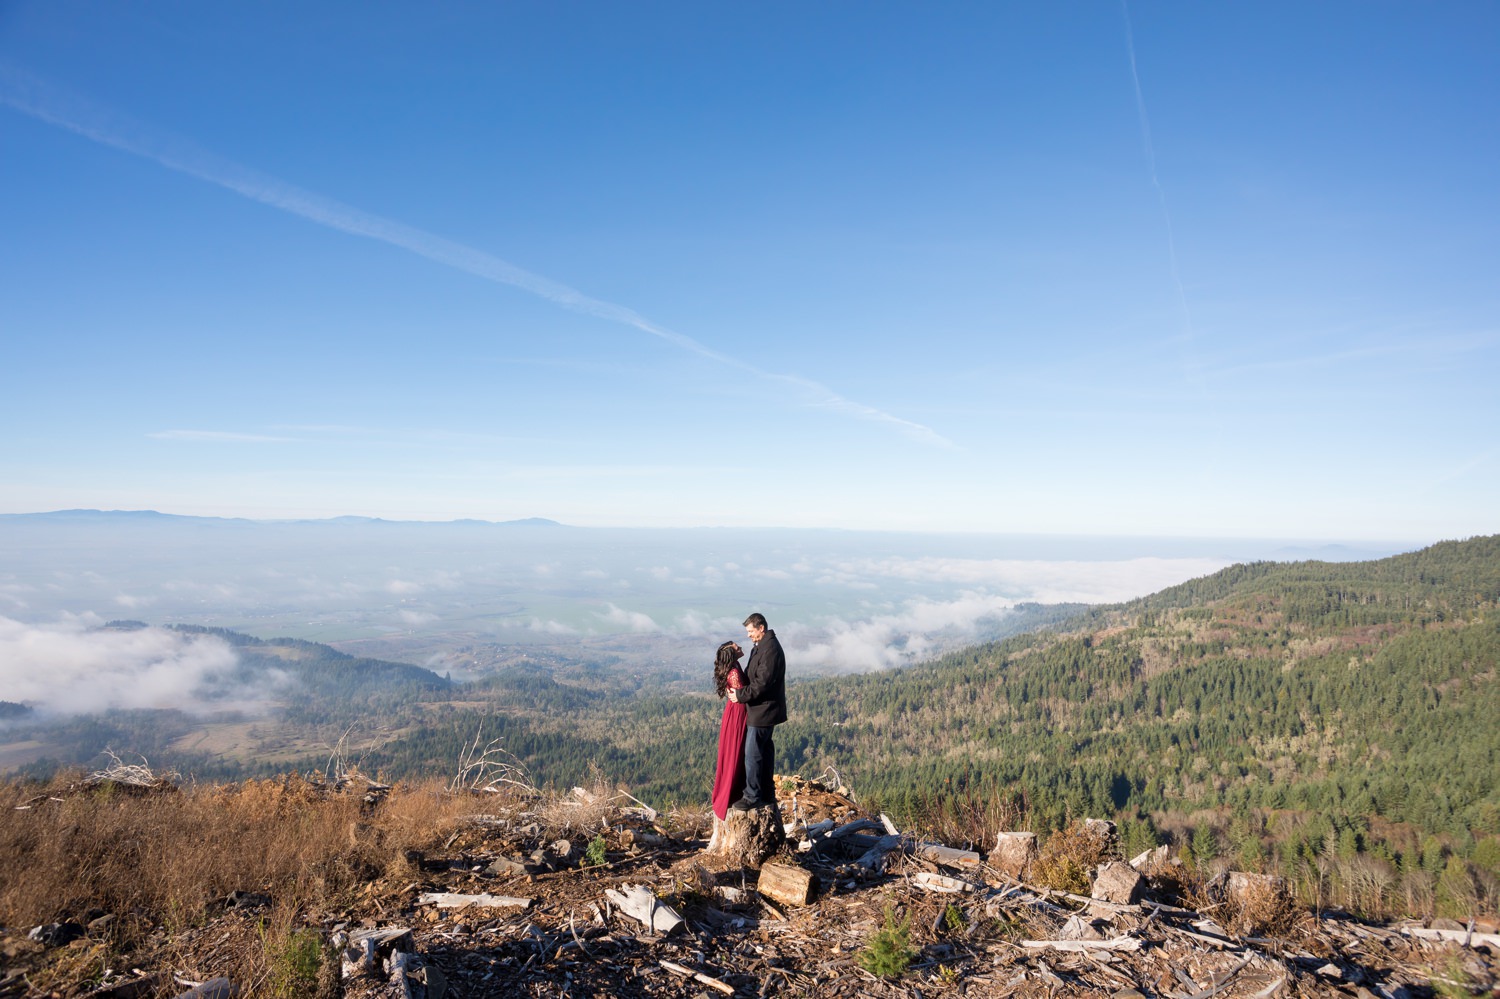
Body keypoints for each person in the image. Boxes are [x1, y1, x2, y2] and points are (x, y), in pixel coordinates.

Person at [727, 612, 787, 811]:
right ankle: (767, 793)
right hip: (762, 709)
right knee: (763, 752)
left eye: (751, 631)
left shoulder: (770, 650)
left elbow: (762, 683)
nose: (748, 635)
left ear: (761, 628)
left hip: (763, 710)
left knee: (753, 754)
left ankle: (752, 796)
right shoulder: (761, 647)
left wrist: (740, 695)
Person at [709, 640, 748, 820]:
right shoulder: (733, 672)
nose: (739, 647)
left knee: (736, 750)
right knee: (736, 750)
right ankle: (732, 793)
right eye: (736, 647)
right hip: (738, 713)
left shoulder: (735, 666)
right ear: (731, 654)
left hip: (734, 712)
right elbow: (741, 695)